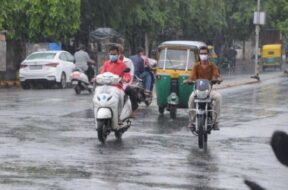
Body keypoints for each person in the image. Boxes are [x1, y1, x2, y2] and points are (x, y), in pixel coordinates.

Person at [184, 46, 222, 130]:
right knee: (191, 98)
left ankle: (216, 121)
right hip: (197, 91)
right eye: (201, 53)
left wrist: (218, 79)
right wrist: (188, 81)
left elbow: (217, 75)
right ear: (199, 55)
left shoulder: (212, 66)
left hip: (209, 91)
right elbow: (192, 77)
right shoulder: (196, 66)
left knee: (218, 97)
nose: (203, 55)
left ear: (208, 55)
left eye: (205, 53)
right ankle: (192, 120)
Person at [100, 45, 132, 116]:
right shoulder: (106, 64)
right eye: (111, 54)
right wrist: (97, 78)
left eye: (114, 54)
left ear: (118, 54)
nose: (112, 56)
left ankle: (119, 115)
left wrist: (126, 79)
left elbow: (127, 75)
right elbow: (102, 73)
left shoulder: (122, 64)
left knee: (120, 98)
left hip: (118, 87)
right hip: (106, 86)